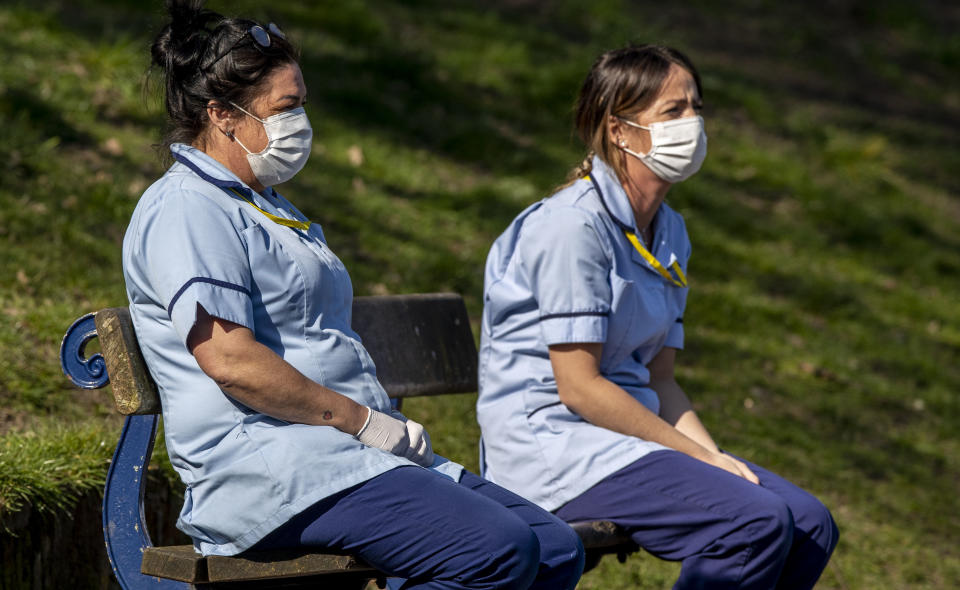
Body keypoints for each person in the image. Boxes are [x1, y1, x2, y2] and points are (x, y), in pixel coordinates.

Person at [122, 1, 585, 588]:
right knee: (495, 551)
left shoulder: (263, 204)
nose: (300, 122)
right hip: (270, 469)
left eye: (301, 104)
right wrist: (361, 421)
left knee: (555, 548)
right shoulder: (186, 207)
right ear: (222, 115)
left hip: (344, 456)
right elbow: (231, 361)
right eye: (284, 108)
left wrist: (369, 431)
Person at [477, 44, 839, 589]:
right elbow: (579, 388)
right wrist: (700, 460)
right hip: (554, 449)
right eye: (672, 112)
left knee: (810, 521)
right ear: (619, 131)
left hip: (629, 440)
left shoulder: (670, 231)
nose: (691, 122)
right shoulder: (572, 227)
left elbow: (660, 379)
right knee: (753, 522)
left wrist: (714, 459)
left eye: (695, 107)